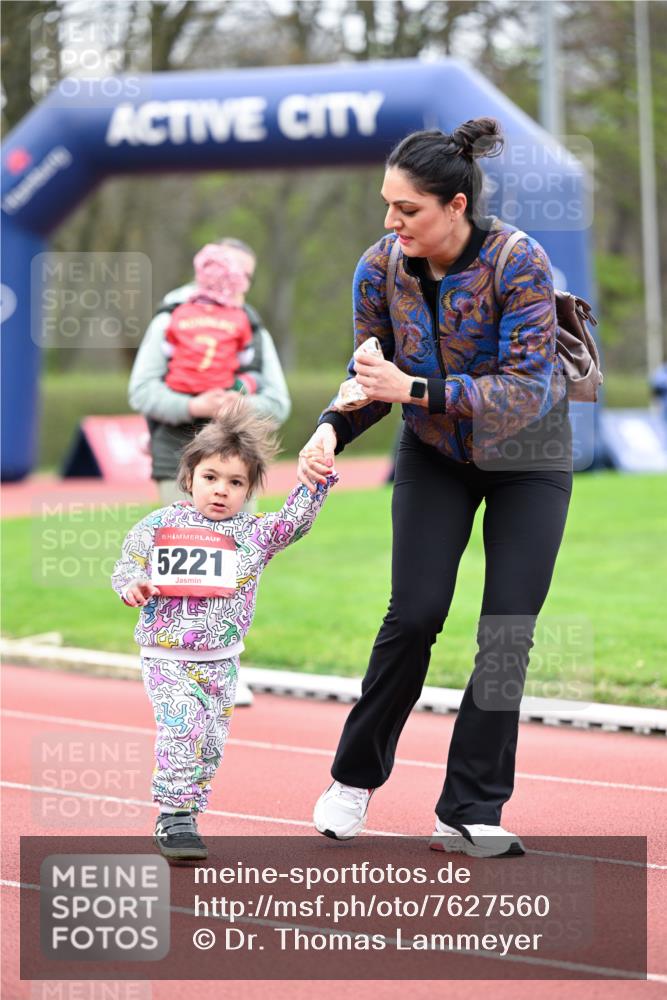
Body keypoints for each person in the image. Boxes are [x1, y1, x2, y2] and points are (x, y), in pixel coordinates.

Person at [298, 118, 573, 859]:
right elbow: (369, 376)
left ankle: (469, 809)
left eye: (406, 209)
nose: (391, 222)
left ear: (455, 205)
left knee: (505, 630)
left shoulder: (519, 261)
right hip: (433, 454)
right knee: (414, 615)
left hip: (528, 454)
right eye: (386, 206)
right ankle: (354, 779)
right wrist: (329, 428)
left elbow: (523, 389)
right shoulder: (378, 267)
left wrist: (413, 386)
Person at [111, 398, 337, 862]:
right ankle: (172, 815)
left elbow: (294, 522)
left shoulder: (254, 533)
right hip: (167, 656)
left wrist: (315, 483)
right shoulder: (159, 525)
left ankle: (189, 810)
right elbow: (128, 564)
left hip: (222, 661)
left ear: (249, 489)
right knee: (183, 727)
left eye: (235, 483)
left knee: (210, 743)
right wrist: (132, 584)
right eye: (211, 478)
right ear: (189, 476)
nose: (220, 491)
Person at [129, 238, 291, 506]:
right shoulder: (170, 319)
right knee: (183, 545)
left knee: (236, 548)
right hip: (176, 459)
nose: (236, 277)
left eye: (245, 273)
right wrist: (193, 406)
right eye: (228, 266)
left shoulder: (252, 326)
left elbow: (278, 404)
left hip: (238, 462)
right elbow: (141, 392)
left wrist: (236, 405)